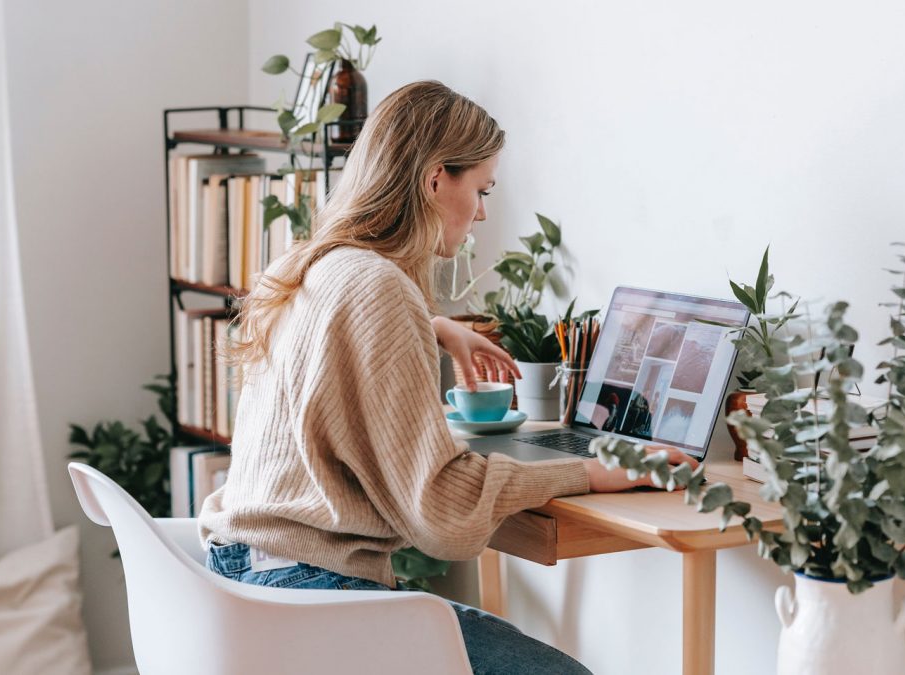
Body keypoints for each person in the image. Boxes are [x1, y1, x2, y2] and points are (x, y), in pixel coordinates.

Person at [199, 80, 697, 674]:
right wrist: (589, 470)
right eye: (480, 189)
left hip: (244, 577)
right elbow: (441, 511)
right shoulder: (379, 288)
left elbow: (339, 333)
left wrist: (436, 324)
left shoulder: (311, 263)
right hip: (306, 595)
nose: (483, 211)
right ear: (436, 179)